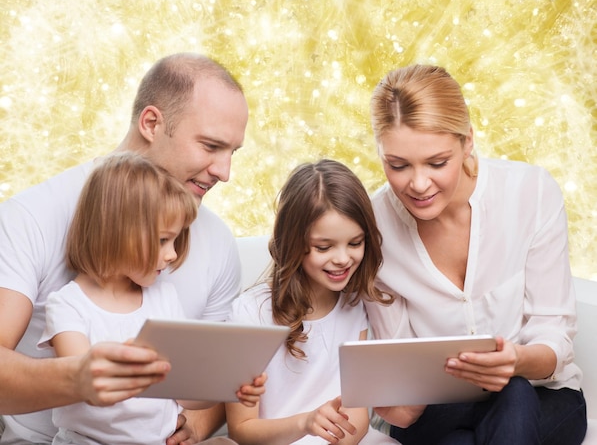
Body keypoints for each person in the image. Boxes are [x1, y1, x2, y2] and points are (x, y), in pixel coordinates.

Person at [0, 53, 260, 444]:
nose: (225, 172)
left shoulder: (217, 243)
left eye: (232, 153)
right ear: (152, 123)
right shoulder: (29, 218)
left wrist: (193, 426)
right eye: (210, 146)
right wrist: (80, 377)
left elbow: (204, 383)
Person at [366, 63, 587, 445]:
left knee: (512, 393)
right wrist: (391, 394)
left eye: (437, 163)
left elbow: (555, 335)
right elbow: (398, 374)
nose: (418, 185)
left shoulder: (530, 193)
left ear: (468, 141)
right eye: (398, 165)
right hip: (439, 408)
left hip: (542, 393)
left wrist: (516, 361)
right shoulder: (373, 226)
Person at [39, 152, 259, 444]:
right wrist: (138, 369)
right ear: (116, 233)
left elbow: (186, 396)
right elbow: (88, 389)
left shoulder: (164, 298)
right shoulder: (67, 305)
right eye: (162, 240)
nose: (172, 254)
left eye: (175, 239)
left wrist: (227, 387)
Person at [225, 159, 396, 445]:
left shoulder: (355, 306)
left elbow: (357, 418)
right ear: (293, 242)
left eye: (355, 243)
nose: (343, 258)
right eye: (324, 247)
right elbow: (242, 428)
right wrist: (306, 422)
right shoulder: (249, 314)